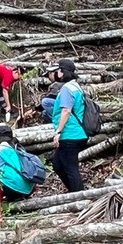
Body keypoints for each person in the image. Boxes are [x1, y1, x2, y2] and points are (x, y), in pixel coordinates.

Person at [50, 59, 89, 193]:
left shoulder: (67, 89)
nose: (56, 73)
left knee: (71, 168)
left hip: (70, 134)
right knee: (58, 165)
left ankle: (79, 197)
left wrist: (58, 132)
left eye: (58, 71)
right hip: (77, 133)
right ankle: (73, 192)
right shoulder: (76, 87)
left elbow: (66, 110)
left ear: (62, 72)